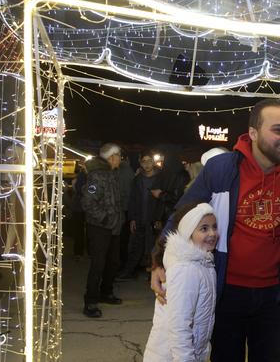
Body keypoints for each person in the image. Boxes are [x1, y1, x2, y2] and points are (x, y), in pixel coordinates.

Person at [151, 98, 280, 361]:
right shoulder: (222, 169)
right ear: (253, 133)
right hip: (226, 292)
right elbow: (182, 215)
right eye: (277, 130)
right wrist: (159, 261)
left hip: (275, 296)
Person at [143, 202, 218, 361]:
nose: (212, 233)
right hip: (173, 356)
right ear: (188, 232)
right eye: (204, 228)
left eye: (214, 227)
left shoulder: (203, 263)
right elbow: (179, 327)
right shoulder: (186, 270)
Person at [81, 143, 125, 318]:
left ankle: (106, 293)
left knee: (113, 262)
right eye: (119, 156)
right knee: (98, 264)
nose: (120, 159)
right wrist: (105, 218)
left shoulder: (112, 174)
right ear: (112, 157)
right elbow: (88, 202)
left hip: (113, 227)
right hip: (99, 228)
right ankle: (90, 302)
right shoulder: (97, 176)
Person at [119, 150, 161, 279]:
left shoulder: (162, 178)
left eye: (149, 161)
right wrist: (132, 218)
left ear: (154, 162)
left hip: (154, 218)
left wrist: (160, 218)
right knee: (136, 246)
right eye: (144, 161)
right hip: (140, 217)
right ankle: (129, 270)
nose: (147, 164)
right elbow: (132, 199)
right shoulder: (137, 180)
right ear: (140, 163)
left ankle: (154, 274)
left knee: (155, 247)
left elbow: (164, 200)